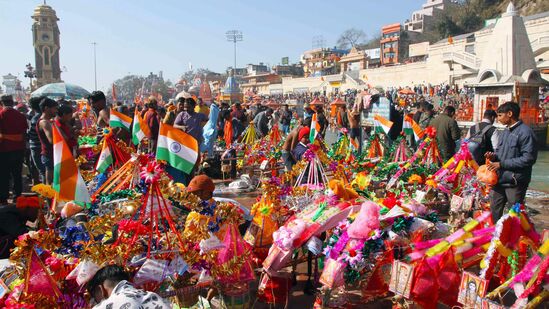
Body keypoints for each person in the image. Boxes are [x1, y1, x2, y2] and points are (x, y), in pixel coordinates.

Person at [486, 102, 538, 222]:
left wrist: (501, 164)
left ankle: (514, 239)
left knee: (515, 214)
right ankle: (495, 236)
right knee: (494, 209)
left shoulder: (526, 133)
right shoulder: (505, 132)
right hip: (499, 179)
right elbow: (500, 153)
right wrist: (493, 157)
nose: (498, 119)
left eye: (500, 115)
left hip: (515, 181)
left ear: (509, 114)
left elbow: (529, 159)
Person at [87, 265, 171, 309]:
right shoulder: (153, 296)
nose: (96, 302)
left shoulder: (105, 306)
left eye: (95, 298)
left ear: (100, 289)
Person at [0, 95, 28, 203]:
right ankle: (18, 196)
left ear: (2, 103)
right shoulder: (20, 116)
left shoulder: (1, 115)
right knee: (17, 174)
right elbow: (24, 134)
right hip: (18, 150)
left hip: (3, 151)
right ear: (12, 103)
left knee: (4, 175)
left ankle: (3, 197)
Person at [37, 98, 58, 185]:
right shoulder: (44, 122)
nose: (56, 111)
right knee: (50, 181)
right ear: (46, 108)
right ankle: (48, 198)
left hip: (51, 153)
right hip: (49, 154)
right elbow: (52, 140)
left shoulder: (48, 121)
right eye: (54, 108)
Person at [28, 96, 45, 184]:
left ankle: (47, 193)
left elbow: (30, 134)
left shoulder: (36, 118)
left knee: (42, 170)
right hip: (40, 146)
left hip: (36, 146)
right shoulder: (41, 117)